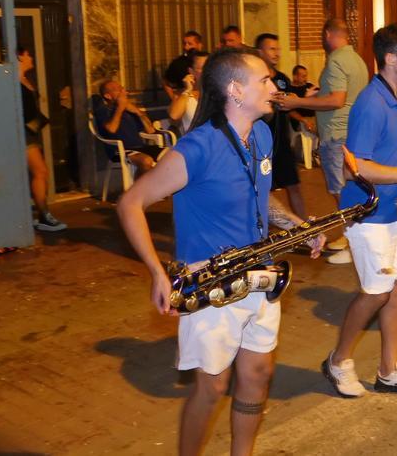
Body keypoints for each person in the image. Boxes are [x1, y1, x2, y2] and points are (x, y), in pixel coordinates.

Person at [117, 47, 324, 456]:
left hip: (260, 276)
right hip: (212, 282)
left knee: (258, 374)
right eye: (264, 79)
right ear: (235, 89)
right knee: (211, 387)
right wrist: (158, 274)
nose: (273, 86)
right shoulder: (198, 147)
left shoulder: (261, 135)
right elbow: (130, 204)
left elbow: (259, 197)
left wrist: (298, 228)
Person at [322, 24, 397, 399]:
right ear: (390, 58)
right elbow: (358, 164)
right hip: (367, 212)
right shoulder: (371, 102)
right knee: (376, 292)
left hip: (393, 211)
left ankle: (388, 370)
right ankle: (338, 361)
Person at [275, 19, 369, 264]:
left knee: (341, 191)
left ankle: (356, 243)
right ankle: (350, 237)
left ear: (328, 34)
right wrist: (315, 95)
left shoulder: (336, 60)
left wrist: (298, 102)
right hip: (351, 132)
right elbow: (344, 96)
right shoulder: (357, 60)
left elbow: (337, 100)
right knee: (348, 189)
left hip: (336, 134)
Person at [253, 33, 308, 221]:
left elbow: (290, 106)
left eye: (278, 49)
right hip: (260, 145)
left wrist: (294, 104)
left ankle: (306, 230)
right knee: (261, 190)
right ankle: (261, 234)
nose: (277, 53)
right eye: (272, 49)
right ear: (260, 52)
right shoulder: (252, 79)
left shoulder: (283, 79)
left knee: (294, 186)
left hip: (281, 143)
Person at [19, 47, 66, 231]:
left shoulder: (25, 79)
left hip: (31, 132)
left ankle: (41, 214)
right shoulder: (12, 80)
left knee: (38, 173)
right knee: (40, 172)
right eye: (27, 54)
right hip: (23, 133)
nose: (31, 57)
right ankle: (43, 214)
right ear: (19, 56)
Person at [94, 79, 163, 175]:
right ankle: (140, 189)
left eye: (121, 88)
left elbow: (150, 130)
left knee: (172, 155)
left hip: (140, 147)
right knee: (146, 161)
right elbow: (111, 129)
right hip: (120, 150)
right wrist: (120, 108)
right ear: (108, 96)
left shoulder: (129, 109)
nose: (122, 91)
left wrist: (137, 112)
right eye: (117, 89)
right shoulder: (104, 110)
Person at [167, 50, 208, 134]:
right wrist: (188, 90)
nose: (207, 71)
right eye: (202, 68)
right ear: (191, 71)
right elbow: (174, 116)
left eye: (210, 67)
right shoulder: (183, 95)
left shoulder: (218, 92)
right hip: (195, 144)